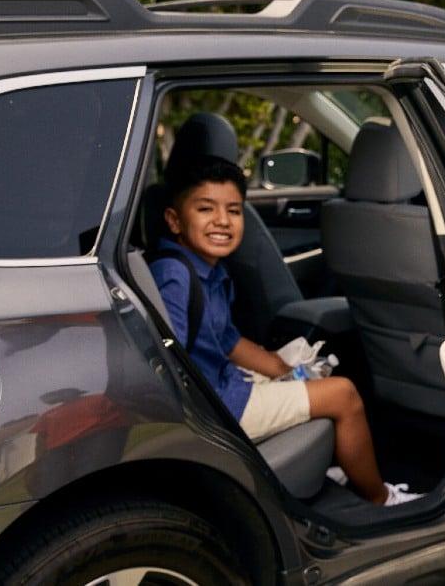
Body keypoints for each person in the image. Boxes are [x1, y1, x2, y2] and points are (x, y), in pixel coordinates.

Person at [149, 154, 420, 507]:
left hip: (225, 386)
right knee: (343, 394)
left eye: (233, 210)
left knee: (308, 374)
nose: (222, 221)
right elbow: (168, 363)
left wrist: (283, 370)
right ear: (174, 220)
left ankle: (340, 466)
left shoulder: (204, 269)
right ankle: (381, 498)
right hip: (219, 407)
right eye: (205, 209)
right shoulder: (175, 276)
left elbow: (228, 341)